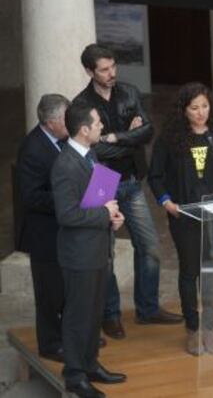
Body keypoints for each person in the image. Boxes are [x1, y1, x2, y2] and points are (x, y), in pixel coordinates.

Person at [75, 44, 181, 340]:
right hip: (102, 180)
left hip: (132, 178)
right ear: (89, 71)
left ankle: (147, 309)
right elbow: (94, 146)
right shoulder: (82, 104)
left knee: (149, 247)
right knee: (104, 253)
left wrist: (116, 135)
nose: (111, 73)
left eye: (113, 67)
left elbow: (147, 132)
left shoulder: (130, 93)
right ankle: (110, 315)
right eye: (104, 69)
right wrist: (128, 137)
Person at [148, 82, 213, 356]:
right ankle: (193, 327)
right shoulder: (170, 138)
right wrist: (166, 202)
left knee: (210, 271)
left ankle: (210, 326)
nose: (200, 113)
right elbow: (156, 175)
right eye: (194, 108)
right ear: (183, 110)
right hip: (184, 215)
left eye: (205, 106)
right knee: (190, 272)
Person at [51, 101, 126, 398]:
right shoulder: (64, 165)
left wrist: (112, 217)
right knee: (77, 315)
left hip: (96, 248)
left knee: (94, 311)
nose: (101, 127)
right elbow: (66, 215)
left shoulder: (90, 154)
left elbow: (97, 198)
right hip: (78, 255)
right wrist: (103, 214)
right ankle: (74, 374)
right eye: (97, 124)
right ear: (84, 130)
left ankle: (90, 363)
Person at [16, 94, 69, 362]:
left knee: (66, 287)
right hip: (43, 234)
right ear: (50, 123)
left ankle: (71, 336)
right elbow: (32, 196)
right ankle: (50, 344)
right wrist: (69, 199)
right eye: (65, 118)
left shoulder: (61, 140)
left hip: (63, 230)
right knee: (49, 291)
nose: (70, 122)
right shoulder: (33, 148)